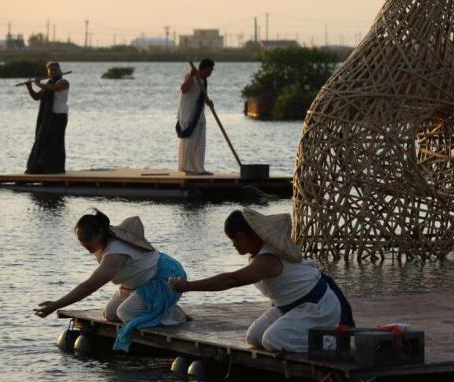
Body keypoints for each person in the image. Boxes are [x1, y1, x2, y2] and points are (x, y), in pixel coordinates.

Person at [169, 209, 354, 353]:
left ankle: (332, 342)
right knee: (254, 337)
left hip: (318, 307)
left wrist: (188, 286)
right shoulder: (258, 255)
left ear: (255, 235)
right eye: (231, 239)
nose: (234, 244)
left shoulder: (268, 259)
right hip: (288, 307)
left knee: (272, 340)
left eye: (237, 238)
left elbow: (230, 280)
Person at [34, 209, 188, 351]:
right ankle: (160, 308)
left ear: (100, 232)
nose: (84, 245)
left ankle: (171, 313)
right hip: (139, 284)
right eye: (81, 241)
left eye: (87, 240)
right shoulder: (103, 241)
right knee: (111, 314)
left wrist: (56, 305)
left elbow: (90, 286)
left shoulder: (116, 250)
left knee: (126, 313)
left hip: (166, 279)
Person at [24, 61, 70, 174]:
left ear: (59, 70)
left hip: (59, 117)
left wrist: (39, 84)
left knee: (55, 142)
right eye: (51, 70)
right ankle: (41, 167)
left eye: (55, 69)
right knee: (43, 141)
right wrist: (30, 87)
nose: (53, 71)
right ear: (48, 72)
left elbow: (55, 88)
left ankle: (55, 168)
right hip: (48, 118)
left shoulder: (63, 82)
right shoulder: (47, 85)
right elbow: (36, 97)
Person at [176, 58, 214, 174]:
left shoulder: (204, 81)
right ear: (204, 68)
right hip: (188, 115)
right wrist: (192, 76)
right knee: (189, 143)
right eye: (210, 70)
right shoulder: (191, 76)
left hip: (199, 116)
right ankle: (187, 168)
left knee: (200, 144)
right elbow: (184, 89)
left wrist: (209, 101)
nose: (211, 72)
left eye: (212, 70)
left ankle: (199, 168)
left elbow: (201, 96)